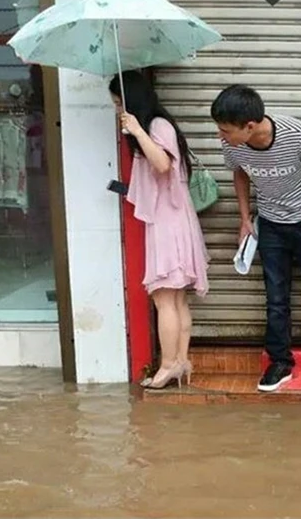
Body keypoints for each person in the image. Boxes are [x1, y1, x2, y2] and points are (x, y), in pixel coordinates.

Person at [210, 84, 301, 392]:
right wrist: (245, 219)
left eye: (225, 130)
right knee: (275, 298)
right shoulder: (233, 144)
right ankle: (280, 362)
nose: (220, 136)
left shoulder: (295, 133)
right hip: (270, 225)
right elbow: (239, 173)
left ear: (249, 126)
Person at [110, 71, 209, 389]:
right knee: (175, 299)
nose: (116, 109)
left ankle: (168, 365)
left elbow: (163, 165)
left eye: (118, 102)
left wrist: (138, 131)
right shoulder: (156, 127)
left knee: (165, 299)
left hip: (169, 222)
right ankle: (180, 362)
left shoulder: (156, 126)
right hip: (170, 219)